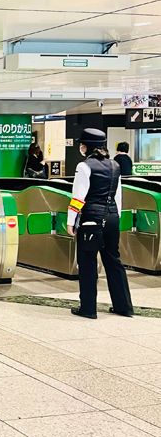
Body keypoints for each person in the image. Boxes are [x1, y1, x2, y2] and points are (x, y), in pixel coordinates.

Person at [67, 128, 133, 319]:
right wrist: (115, 217)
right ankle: (124, 306)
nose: (81, 147)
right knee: (113, 260)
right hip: (112, 217)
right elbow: (118, 196)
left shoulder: (84, 166)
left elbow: (78, 198)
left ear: (87, 146)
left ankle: (88, 308)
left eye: (82, 144)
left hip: (91, 219)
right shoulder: (114, 165)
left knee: (88, 262)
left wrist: (71, 221)